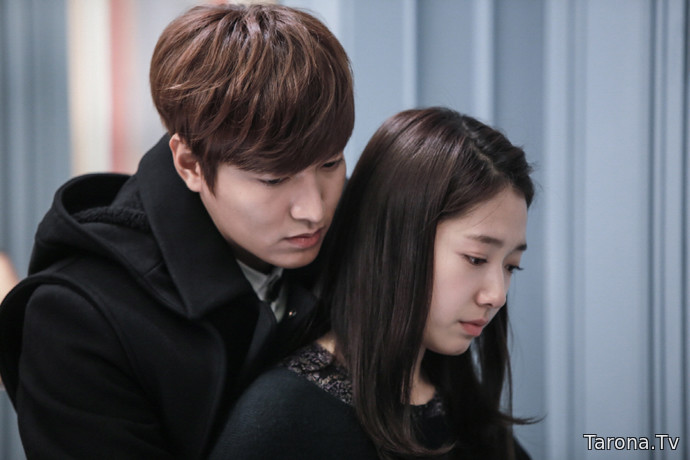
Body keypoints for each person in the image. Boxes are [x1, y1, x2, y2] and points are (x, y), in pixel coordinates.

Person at [0, 4, 353, 459]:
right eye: (273, 180)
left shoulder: (356, 238)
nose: (313, 210)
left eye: (330, 164)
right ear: (189, 165)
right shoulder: (77, 322)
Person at [210, 107, 535, 460]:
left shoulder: (458, 399)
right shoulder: (283, 415)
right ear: (396, 241)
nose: (497, 295)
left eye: (511, 266)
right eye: (475, 259)